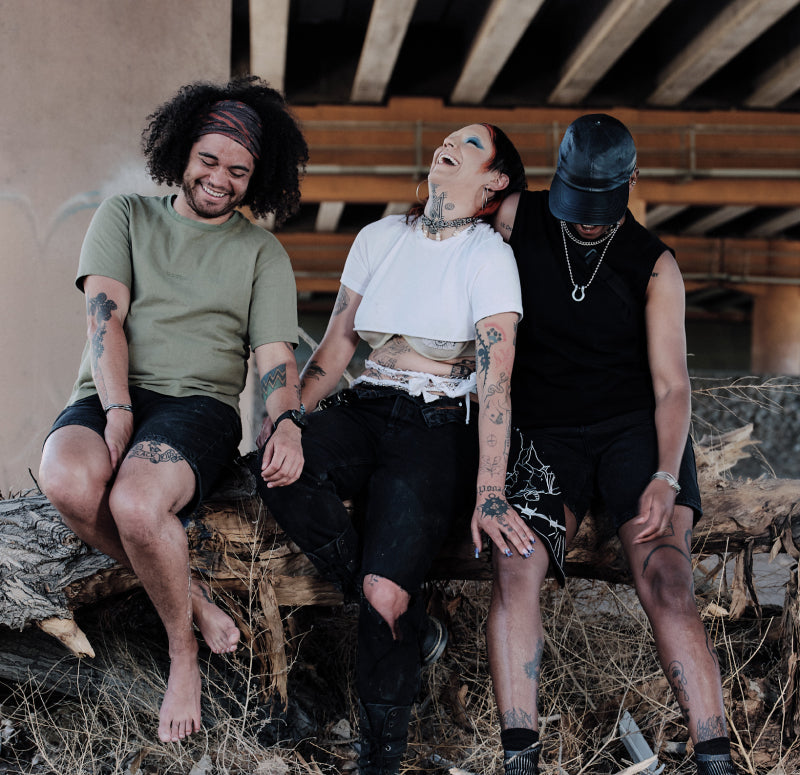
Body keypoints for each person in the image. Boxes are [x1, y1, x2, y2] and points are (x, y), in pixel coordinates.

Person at [251, 124, 532, 775]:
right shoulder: (379, 237)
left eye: (471, 145)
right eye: (449, 138)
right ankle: (393, 607)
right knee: (277, 470)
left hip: (441, 422)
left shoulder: (489, 256)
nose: (449, 145)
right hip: (367, 403)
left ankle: (380, 756)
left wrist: (490, 489)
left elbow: (496, 378)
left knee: (388, 586)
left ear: (493, 183)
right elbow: (335, 349)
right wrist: (289, 419)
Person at [38, 76, 309, 744]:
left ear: (257, 177)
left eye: (239, 170)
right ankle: (194, 600)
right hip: (113, 388)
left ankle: (180, 651)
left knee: (135, 503)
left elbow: (274, 360)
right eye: (210, 160)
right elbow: (106, 320)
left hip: (199, 408)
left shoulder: (260, 253)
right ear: (183, 150)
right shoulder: (125, 215)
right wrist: (118, 407)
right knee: (66, 479)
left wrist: (288, 423)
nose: (221, 178)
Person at [473, 114, 739, 775]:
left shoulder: (655, 264)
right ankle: (520, 759)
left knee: (668, 578)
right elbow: (443, 227)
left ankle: (716, 760)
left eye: (600, 208)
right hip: (543, 431)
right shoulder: (514, 217)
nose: (585, 221)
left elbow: (673, 387)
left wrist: (665, 476)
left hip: (635, 430)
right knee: (515, 565)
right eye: (575, 204)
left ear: (631, 183)